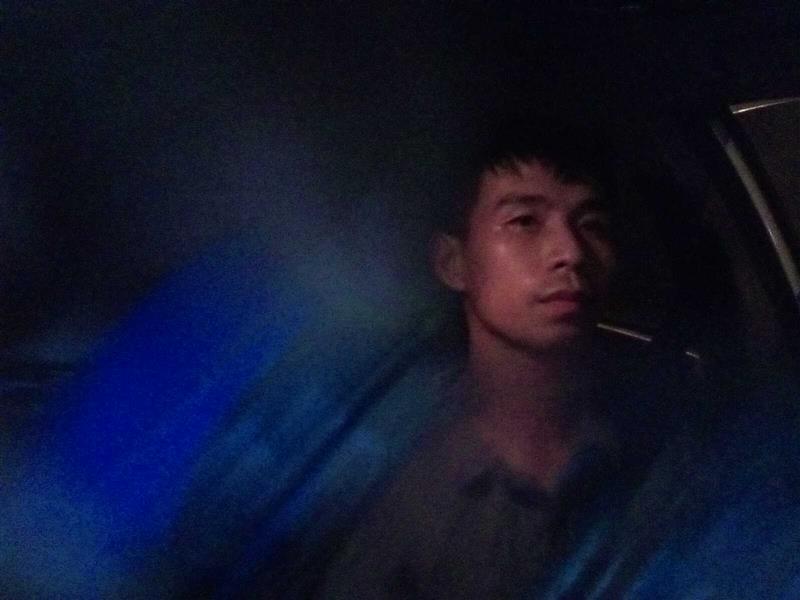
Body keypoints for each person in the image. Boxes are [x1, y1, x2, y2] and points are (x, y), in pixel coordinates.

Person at [311, 118, 672, 599]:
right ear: (453, 263)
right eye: (525, 221)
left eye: (592, 225)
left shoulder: (665, 444)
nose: (571, 252)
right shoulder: (387, 474)